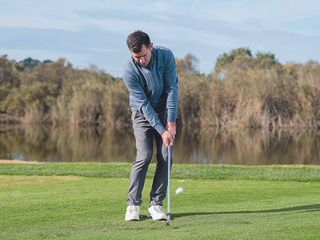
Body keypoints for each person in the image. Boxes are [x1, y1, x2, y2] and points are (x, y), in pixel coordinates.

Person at [123, 30, 178, 221]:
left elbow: (172, 88)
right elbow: (144, 105)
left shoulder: (166, 56)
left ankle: (155, 204)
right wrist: (161, 130)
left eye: (143, 56)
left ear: (151, 46)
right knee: (144, 156)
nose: (140, 60)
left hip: (164, 112)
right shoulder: (129, 70)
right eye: (136, 57)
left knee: (166, 156)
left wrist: (170, 123)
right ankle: (133, 205)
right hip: (142, 115)